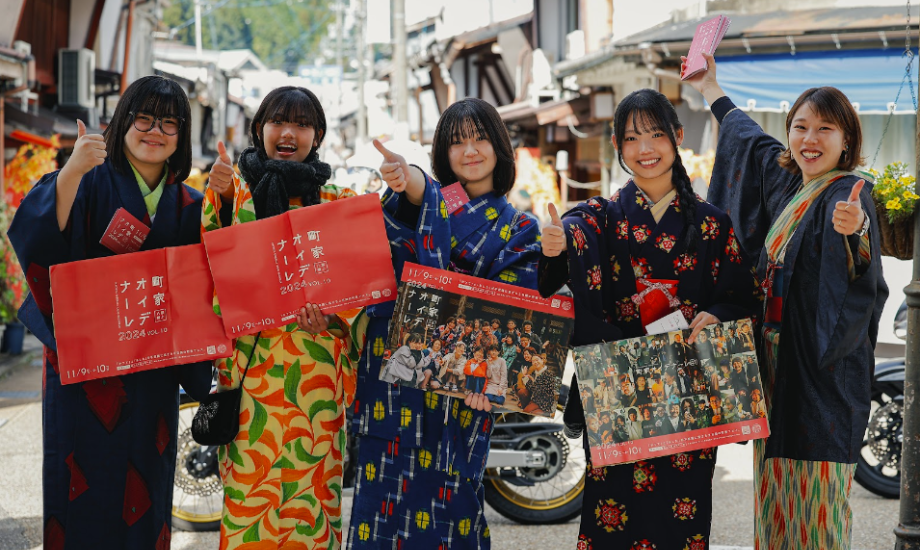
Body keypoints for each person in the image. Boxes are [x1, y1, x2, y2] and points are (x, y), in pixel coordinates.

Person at [538, 88, 762, 548]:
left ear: (678, 137)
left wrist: (718, 315)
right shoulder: (601, 218)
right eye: (632, 138)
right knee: (612, 514)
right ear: (617, 147)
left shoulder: (711, 224)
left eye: (657, 135)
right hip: (618, 390)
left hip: (687, 391)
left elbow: (742, 296)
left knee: (681, 517)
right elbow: (576, 231)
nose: (645, 149)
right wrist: (560, 245)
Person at [686, 52, 888, 550]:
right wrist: (711, 89)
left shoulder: (849, 194)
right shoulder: (789, 186)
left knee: (816, 502)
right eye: (800, 127)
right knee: (775, 500)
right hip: (776, 369)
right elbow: (751, 142)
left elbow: (861, 262)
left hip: (822, 376)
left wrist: (857, 231)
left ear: (847, 141)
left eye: (825, 129)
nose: (810, 139)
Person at [8, 76, 213, 548]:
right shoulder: (88, 180)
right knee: (80, 490)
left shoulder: (189, 205)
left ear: (181, 136)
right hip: (86, 372)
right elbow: (39, 238)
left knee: (148, 483)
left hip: (152, 370)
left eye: (169, 122)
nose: (154, 130)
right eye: (143, 117)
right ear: (122, 122)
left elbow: (208, 284)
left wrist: (224, 201)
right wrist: (71, 172)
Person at [350, 97, 542, 549]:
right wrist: (409, 178)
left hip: (466, 392)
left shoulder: (521, 229)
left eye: (479, 138)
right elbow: (394, 228)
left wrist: (495, 384)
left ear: (499, 146)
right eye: (457, 142)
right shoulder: (413, 203)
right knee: (381, 509)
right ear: (442, 153)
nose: (470, 151)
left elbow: (517, 317)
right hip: (395, 386)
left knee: (455, 508)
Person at [203, 86, 366, 548]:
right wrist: (219, 199)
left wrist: (332, 320)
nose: (289, 133)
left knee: (311, 506)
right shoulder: (234, 192)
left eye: (302, 123)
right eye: (278, 121)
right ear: (259, 130)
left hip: (314, 381)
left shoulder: (339, 202)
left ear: (318, 135)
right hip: (252, 381)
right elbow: (205, 271)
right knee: (249, 503)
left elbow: (358, 292)